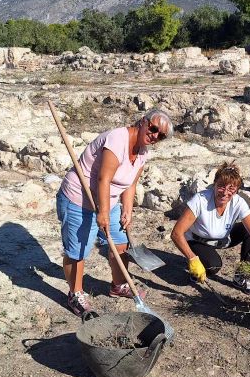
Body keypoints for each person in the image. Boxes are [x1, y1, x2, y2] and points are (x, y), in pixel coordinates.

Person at [56, 108, 172, 316]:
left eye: (160, 135)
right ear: (143, 122)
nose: (155, 136)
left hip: (108, 200)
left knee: (120, 242)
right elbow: (104, 179)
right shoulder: (117, 139)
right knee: (78, 250)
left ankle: (118, 285)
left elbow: (130, 184)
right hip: (79, 199)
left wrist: (127, 210)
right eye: (153, 129)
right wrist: (102, 213)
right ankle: (75, 294)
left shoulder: (143, 151)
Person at [170, 163, 250, 293]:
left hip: (223, 237)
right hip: (197, 240)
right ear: (214, 184)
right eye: (221, 186)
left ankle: (244, 276)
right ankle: (196, 268)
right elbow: (176, 233)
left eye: (231, 188)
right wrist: (192, 258)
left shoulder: (238, 202)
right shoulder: (200, 200)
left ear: (236, 190)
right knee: (213, 266)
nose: (225, 192)